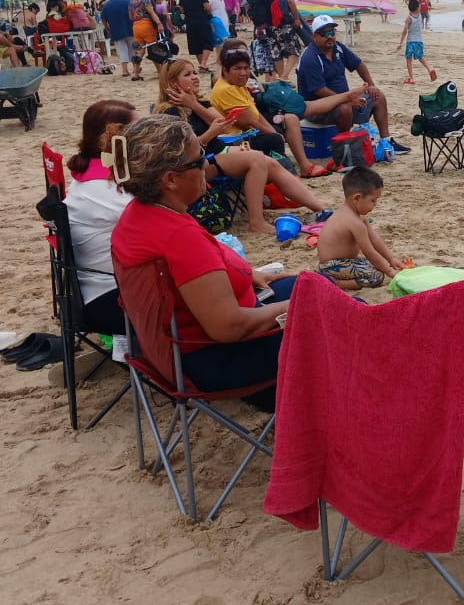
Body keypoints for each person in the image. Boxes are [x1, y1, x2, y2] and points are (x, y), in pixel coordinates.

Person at [109, 114, 297, 398]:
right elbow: (228, 327)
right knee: (339, 313)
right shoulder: (179, 237)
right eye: (200, 159)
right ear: (170, 179)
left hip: (176, 349)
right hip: (215, 358)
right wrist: (297, 306)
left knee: (310, 284)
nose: (208, 165)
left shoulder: (138, 216)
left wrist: (248, 275)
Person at [156, 59, 332, 232]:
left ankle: (320, 208)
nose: (195, 77)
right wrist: (212, 134)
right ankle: (256, 222)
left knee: (268, 162)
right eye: (188, 74)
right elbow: (182, 153)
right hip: (194, 166)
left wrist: (193, 104)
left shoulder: (199, 102)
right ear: (173, 83)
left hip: (215, 156)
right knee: (256, 160)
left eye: (195, 72)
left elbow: (222, 123)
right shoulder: (169, 112)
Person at [65, 99, 136, 335]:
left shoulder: (89, 176)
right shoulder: (106, 189)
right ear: (116, 138)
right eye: (139, 132)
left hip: (96, 290)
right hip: (111, 300)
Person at [209, 46, 332, 178]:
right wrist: (273, 133)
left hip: (249, 130)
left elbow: (256, 114)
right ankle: (287, 177)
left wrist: (272, 131)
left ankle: (304, 166)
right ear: (225, 71)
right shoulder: (227, 89)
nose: (243, 73)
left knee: (289, 119)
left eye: (246, 68)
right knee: (274, 138)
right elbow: (247, 121)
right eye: (237, 68)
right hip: (236, 138)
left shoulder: (238, 85)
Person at [297, 15, 412, 153]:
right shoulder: (310, 57)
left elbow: (359, 64)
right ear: (314, 36)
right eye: (324, 33)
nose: (330, 37)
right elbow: (319, 90)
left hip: (344, 99)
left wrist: (371, 85)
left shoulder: (338, 48)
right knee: (345, 108)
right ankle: (344, 147)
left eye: (332, 32)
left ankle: (386, 141)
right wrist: (348, 99)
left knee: (378, 96)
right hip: (317, 108)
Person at [315, 166, 404, 290]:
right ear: (357, 198)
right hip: (331, 266)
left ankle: (331, 278)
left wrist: (391, 259)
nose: (375, 205)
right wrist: (390, 272)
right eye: (373, 201)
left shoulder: (359, 218)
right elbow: (369, 252)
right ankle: (336, 283)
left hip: (343, 262)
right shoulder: (354, 222)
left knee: (377, 265)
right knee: (376, 276)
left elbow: (375, 240)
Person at [100, 0, 140, 81]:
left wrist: (107, 28)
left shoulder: (107, 5)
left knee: (122, 49)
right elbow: (135, 13)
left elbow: (103, 18)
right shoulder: (128, 1)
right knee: (133, 49)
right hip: (130, 28)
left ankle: (125, 70)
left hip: (116, 30)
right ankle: (135, 68)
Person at [178, 0, 214, 71]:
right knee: (207, 42)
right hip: (202, 21)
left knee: (196, 45)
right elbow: (207, 8)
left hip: (190, 23)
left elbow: (181, 10)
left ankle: (203, 66)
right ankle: (203, 63)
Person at [398, 0, 437, 84]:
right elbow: (419, 9)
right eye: (419, 6)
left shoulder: (409, 18)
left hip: (410, 41)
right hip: (419, 41)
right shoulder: (420, 16)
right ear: (417, 8)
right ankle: (430, 69)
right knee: (421, 57)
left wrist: (401, 43)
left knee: (409, 60)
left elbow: (405, 31)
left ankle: (411, 78)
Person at [128, 0, 161, 81]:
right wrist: (159, 23)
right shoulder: (146, 0)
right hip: (146, 25)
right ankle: (160, 72)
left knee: (139, 50)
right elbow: (152, 13)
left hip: (136, 26)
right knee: (153, 49)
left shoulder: (131, 1)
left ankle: (135, 73)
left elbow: (131, 17)